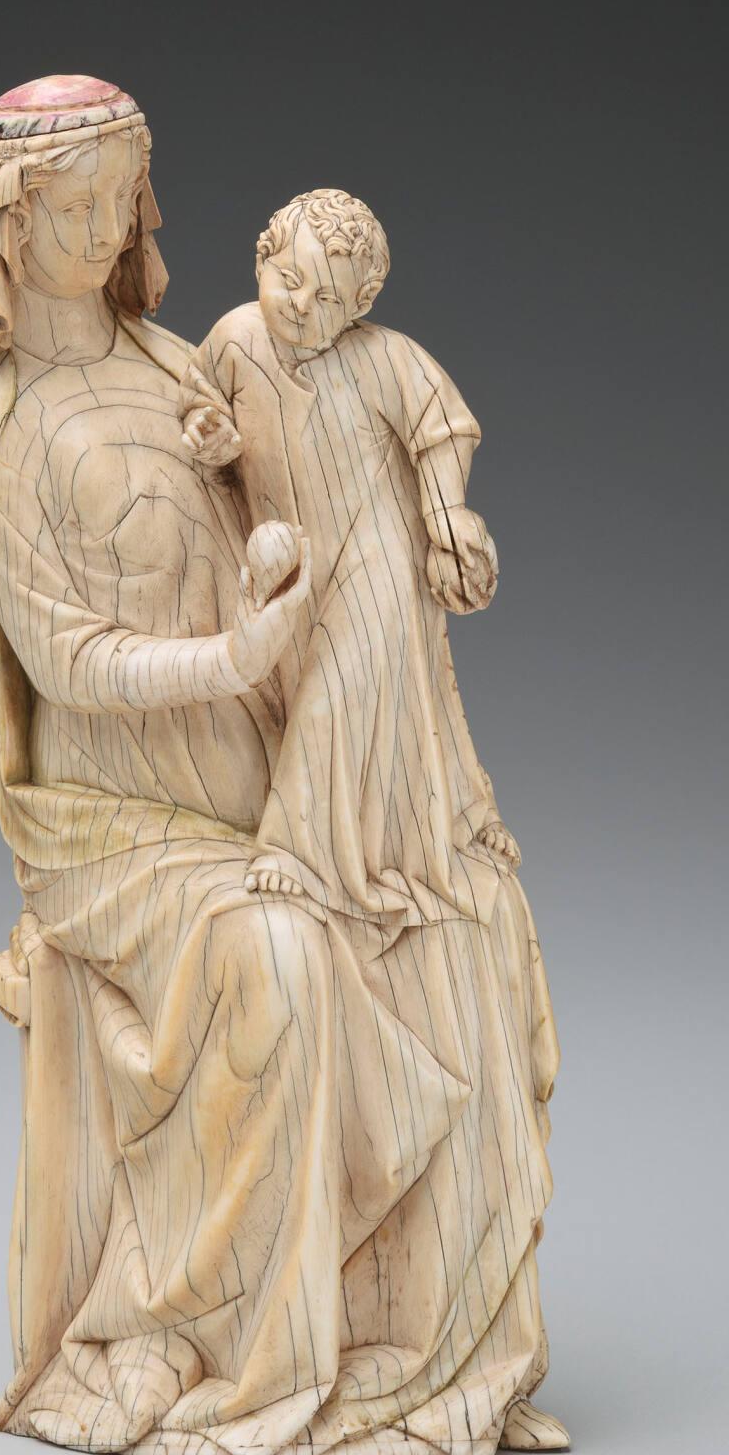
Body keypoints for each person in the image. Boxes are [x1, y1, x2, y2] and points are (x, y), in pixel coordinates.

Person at [0, 78, 566, 1455]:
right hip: (113, 823)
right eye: (77, 208)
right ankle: (237, 1342)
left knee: (463, 922)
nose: (109, 232)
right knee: (282, 953)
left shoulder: (183, 364)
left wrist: (411, 554)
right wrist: (231, 655)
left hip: (269, 769)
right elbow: (67, 661)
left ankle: (438, 1351)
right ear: (5, 224)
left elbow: (320, 496)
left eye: (124, 202)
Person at [181, 188, 518, 925]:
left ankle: (297, 850)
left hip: (377, 552)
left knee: (349, 686)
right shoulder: (235, 339)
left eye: (329, 298)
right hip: (293, 562)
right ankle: (447, 817)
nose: (301, 305)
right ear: (261, 261)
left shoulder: (385, 356)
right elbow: (198, 402)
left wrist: (444, 514)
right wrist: (210, 435)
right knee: (358, 698)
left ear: (359, 305)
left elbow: (442, 429)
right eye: (289, 280)